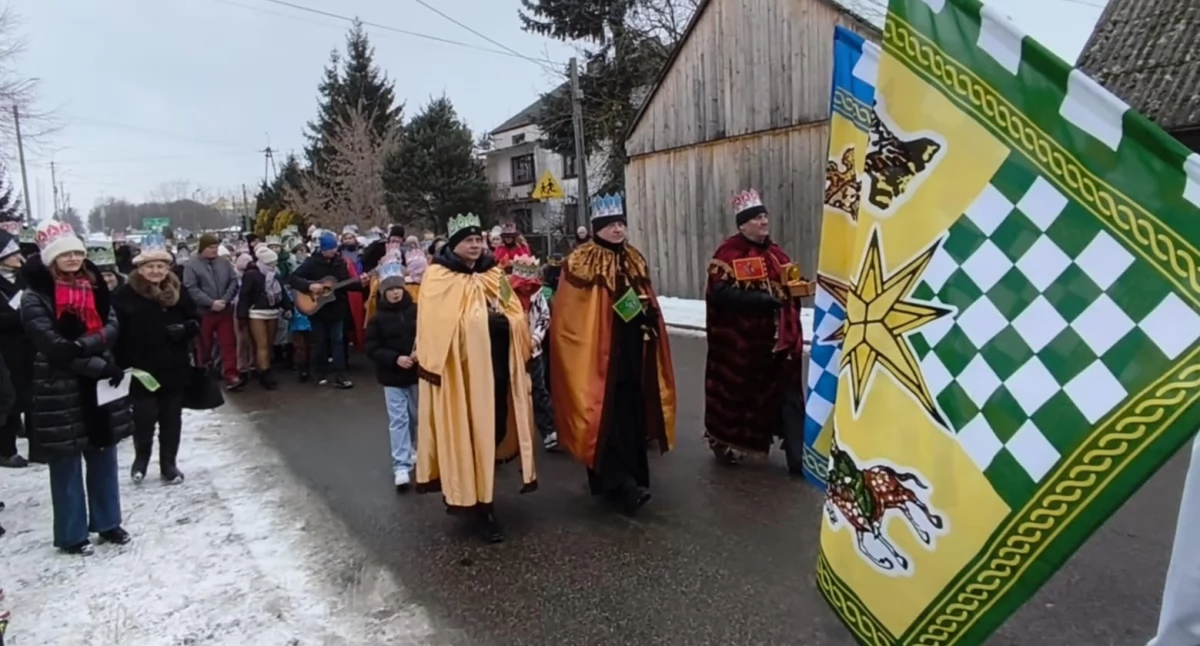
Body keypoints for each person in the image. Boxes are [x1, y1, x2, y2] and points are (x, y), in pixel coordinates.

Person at [549, 194, 676, 516]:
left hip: (631, 352)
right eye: (611, 225)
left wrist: (646, 316)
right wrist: (615, 318)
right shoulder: (582, 260)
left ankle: (630, 479)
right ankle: (623, 485)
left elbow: (638, 298)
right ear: (597, 228)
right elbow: (574, 313)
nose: (618, 229)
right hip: (597, 357)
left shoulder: (632, 257)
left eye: (621, 224)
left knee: (630, 417)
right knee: (605, 420)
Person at [415, 212, 538, 542]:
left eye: (478, 240)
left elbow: (515, 312)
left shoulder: (493, 274)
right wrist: (482, 322)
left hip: (495, 372)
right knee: (466, 436)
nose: (474, 246)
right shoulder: (437, 278)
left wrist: (505, 323)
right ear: (454, 244)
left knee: (491, 433)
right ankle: (480, 506)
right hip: (461, 379)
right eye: (468, 240)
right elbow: (437, 329)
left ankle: (482, 493)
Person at [23, 219, 134, 555]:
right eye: (65, 254)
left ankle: (108, 521)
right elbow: (52, 345)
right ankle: (72, 534)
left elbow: (111, 325)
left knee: (103, 453)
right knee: (66, 462)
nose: (72, 259)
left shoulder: (95, 285)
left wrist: (85, 347)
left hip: (98, 381)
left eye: (77, 252)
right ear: (51, 258)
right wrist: (95, 361)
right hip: (58, 384)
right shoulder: (35, 295)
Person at [703, 189, 807, 472]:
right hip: (742, 348)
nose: (763, 222)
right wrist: (756, 301)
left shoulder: (776, 254)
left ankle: (798, 459)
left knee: (789, 397)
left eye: (764, 216)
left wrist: (799, 288)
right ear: (742, 225)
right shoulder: (728, 253)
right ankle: (723, 442)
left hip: (779, 345)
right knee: (737, 401)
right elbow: (719, 293)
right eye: (756, 218)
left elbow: (790, 283)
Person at [113, 234, 200, 484]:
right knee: (144, 417)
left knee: (171, 419)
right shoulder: (125, 294)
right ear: (140, 268)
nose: (156, 271)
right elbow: (115, 330)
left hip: (173, 366)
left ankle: (168, 464)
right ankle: (141, 459)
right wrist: (121, 363)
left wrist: (185, 329)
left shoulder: (177, 290)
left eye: (161, 266)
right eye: (150, 266)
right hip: (141, 368)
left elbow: (195, 319)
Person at [364, 260, 419, 492]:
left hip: (417, 374)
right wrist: (395, 358)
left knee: (416, 416)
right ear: (383, 292)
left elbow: (429, 334)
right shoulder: (377, 319)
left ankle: (414, 448)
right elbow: (372, 348)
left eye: (398, 288)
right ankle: (401, 465)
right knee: (398, 420)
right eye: (390, 289)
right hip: (392, 377)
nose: (395, 293)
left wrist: (420, 352)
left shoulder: (417, 310)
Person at [288, 230, 366, 388]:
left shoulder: (340, 263)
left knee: (338, 341)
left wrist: (360, 284)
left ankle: (340, 375)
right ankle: (320, 372)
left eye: (334, 248)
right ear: (322, 249)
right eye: (329, 249)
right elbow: (293, 278)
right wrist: (309, 285)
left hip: (337, 308)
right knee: (320, 342)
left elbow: (345, 284)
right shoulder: (311, 263)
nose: (333, 251)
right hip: (318, 309)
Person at [183, 233, 243, 390]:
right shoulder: (191, 265)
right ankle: (204, 375)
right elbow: (191, 288)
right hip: (203, 312)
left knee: (228, 343)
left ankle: (231, 374)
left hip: (225, 310)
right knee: (203, 346)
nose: (214, 250)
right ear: (203, 248)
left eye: (216, 247)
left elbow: (233, 282)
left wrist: (225, 300)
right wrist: (210, 303)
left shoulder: (224, 263)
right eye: (211, 247)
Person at [509, 255, 557, 451]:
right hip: (511, 352)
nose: (527, 287)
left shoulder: (538, 295)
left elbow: (544, 317)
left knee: (539, 390)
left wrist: (535, 338)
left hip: (534, 352)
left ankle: (548, 431)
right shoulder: (505, 293)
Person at [0, 230, 35, 467]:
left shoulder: (25, 278)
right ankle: (6, 450)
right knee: (8, 399)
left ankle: (39, 448)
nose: (17, 258)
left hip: (28, 345)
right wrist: (18, 317)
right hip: (5, 349)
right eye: (12, 254)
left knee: (32, 397)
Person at [237, 245, 289, 390]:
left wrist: (287, 307)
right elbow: (244, 296)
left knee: (269, 344)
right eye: (271, 262)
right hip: (257, 312)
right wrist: (242, 316)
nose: (274, 264)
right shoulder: (251, 275)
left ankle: (263, 369)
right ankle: (266, 373)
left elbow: (282, 293)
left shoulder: (275, 274)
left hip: (272, 311)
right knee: (262, 344)